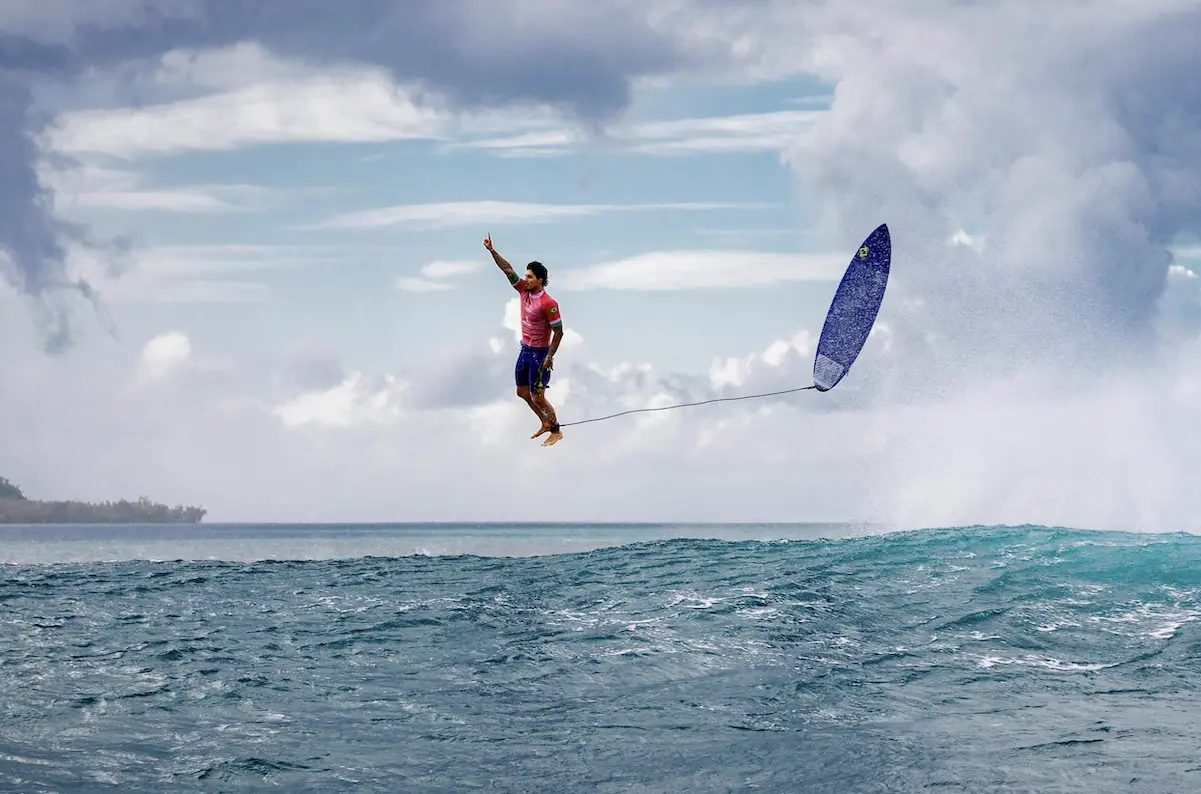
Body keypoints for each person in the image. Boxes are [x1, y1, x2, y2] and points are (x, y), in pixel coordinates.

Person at [483, 233, 565, 446]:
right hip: (525, 350)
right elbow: (507, 270)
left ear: (539, 280)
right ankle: (544, 422)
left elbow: (559, 332)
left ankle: (556, 430)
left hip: (540, 354)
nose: (525, 279)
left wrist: (550, 356)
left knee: (538, 396)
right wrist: (492, 251)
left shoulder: (549, 303)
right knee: (522, 392)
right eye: (526, 276)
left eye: (530, 277)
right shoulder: (522, 290)